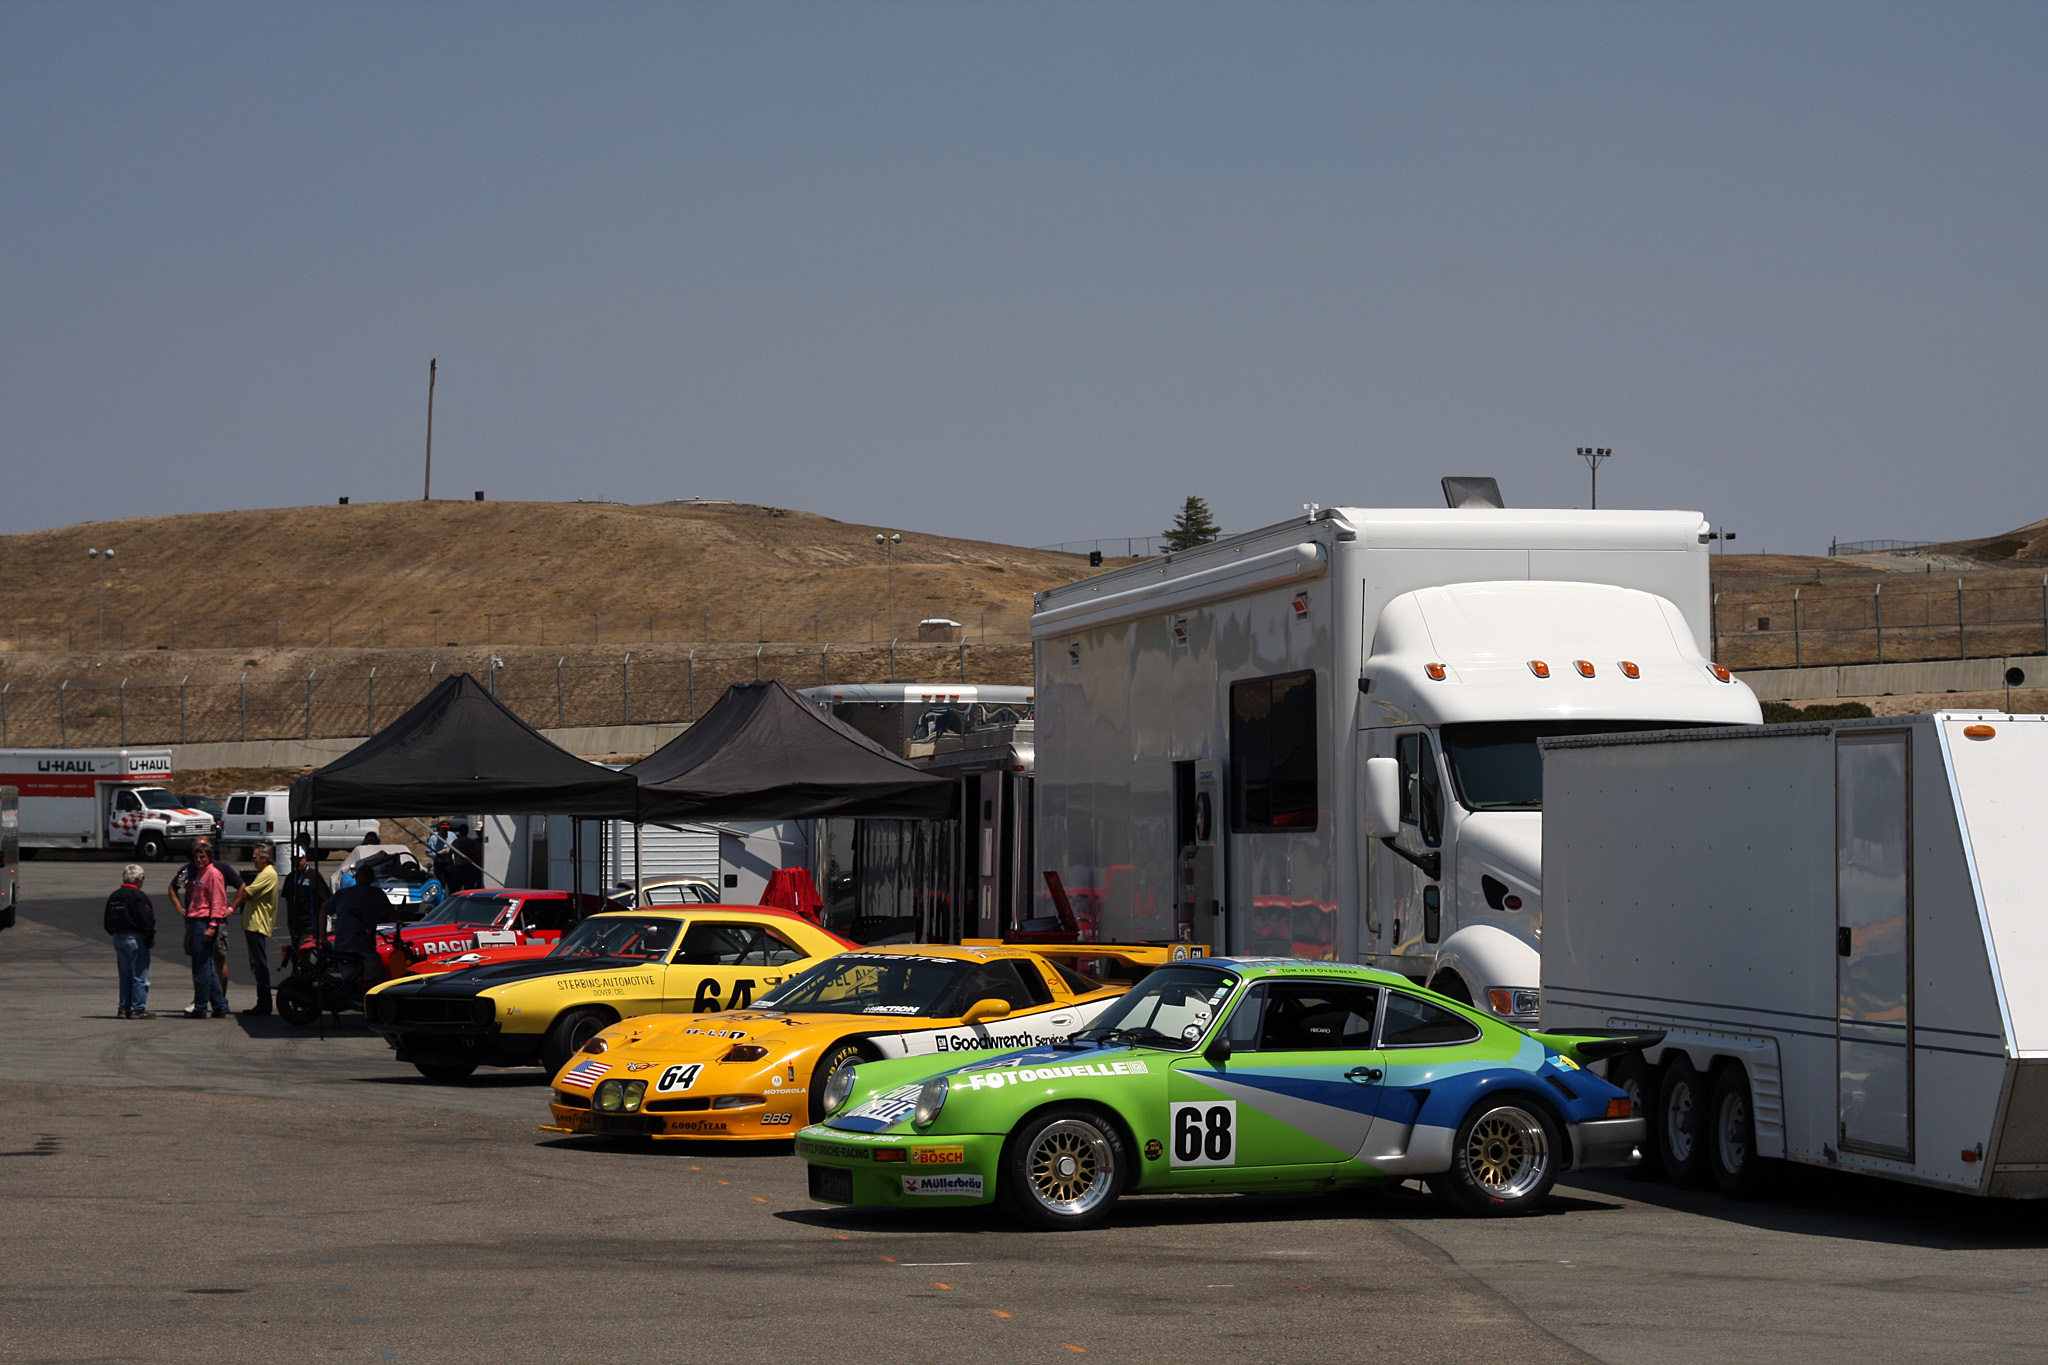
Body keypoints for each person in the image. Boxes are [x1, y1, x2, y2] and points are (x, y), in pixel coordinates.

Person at [169, 838, 237, 1018]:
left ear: (210, 857)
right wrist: (179, 907)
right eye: (196, 856)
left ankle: (200, 1006)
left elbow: (218, 901)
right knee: (207, 966)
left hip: (205, 922)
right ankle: (219, 1005)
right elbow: (174, 887)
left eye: (203, 856)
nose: (199, 860)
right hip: (194, 920)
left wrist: (213, 924)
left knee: (200, 967)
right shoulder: (193, 872)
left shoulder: (214, 873)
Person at [232, 842, 279, 1017]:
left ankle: (264, 1002)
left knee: (259, 964)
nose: (253, 860)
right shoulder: (264, 873)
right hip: (253, 924)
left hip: (257, 925)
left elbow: (247, 894)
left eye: (255, 857)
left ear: (264, 859)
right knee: (257, 963)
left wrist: (242, 889)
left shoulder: (267, 874)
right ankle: (263, 1001)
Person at [103, 864, 156, 1019]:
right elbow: (146, 918)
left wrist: (113, 931)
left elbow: (107, 919)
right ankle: (137, 1008)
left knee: (125, 974)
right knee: (140, 974)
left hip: (119, 938)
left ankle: (124, 1007)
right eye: (143, 878)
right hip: (135, 938)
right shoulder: (138, 896)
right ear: (138, 879)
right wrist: (150, 936)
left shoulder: (114, 896)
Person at [280, 845, 331, 955]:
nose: (297, 862)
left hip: (309, 923)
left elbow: (325, 899)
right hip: (294, 923)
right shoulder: (290, 877)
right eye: (294, 859)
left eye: (299, 859)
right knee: (295, 949)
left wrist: (322, 922)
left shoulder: (313, 876)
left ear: (305, 859)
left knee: (303, 949)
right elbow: (286, 898)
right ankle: (297, 970)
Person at [426, 821, 456, 886]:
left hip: (450, 864)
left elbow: (457, 848)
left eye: (446, 829)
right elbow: (428, 852)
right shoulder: (434, 838)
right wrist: (439, 854)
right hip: (439, 864)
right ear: (440, 828)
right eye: (443, 828)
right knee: (441, 883)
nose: (444, 830)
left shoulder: (452, 835)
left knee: (452, 884)